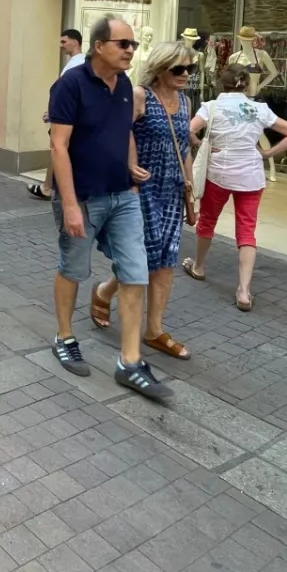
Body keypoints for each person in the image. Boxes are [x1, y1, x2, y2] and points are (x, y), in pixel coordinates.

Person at [47, 15, 171, 403]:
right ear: (99, 46)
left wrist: (131, 171)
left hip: (123, 196)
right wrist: (69, 205)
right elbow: (58, 146)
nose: (131, 51)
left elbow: (125, 132)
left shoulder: (126, 87)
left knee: (135, 272)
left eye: (133, 45)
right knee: (74, 269)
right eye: (123, 44)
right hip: (83, 197)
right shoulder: (70, 85)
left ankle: (130, 362)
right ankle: (64, 337)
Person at [91, 41, 197, 359]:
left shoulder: (186, 102)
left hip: (172, 191)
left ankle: (154, 330)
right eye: (178, 69)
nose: (185, 74)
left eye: (189, 68)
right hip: (142, 190)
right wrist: (129, 164)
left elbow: (185, 147)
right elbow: (117, 132)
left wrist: (191, 186)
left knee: (165, 262)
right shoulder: (140, 96)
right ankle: (104, 292)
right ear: (160, 68)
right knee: (145, 259)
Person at [182, 63, 287, 311]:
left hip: (219, 172)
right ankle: (244, 291)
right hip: (251, 174)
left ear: (221, 84)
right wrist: (268, 152)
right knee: (247, 230)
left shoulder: (211, 107)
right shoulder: (260, 109)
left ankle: (199, 266)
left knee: (208, 220)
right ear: (247, 84)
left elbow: (187, 129)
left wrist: (199, 142)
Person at [28, 28, 87, 201]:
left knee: (59, 149)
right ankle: (47, 187)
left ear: (75, 42)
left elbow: (68, 93)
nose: (60, 46)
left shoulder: (77, 64)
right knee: (59, 149)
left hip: (68, 119)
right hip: (66, 116)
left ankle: (49, 188)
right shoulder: (75, 63)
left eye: (63, 42)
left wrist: (56, 113)